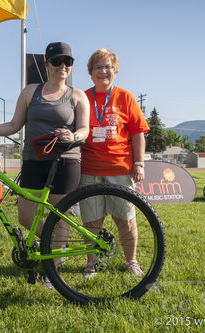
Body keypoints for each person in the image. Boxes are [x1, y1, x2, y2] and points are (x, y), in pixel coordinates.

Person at [0, 42, 89, 238]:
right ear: (47, 64)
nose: (62, 66)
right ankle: (51, 243)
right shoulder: (30, 92)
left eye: (67, 61)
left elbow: (85, 129)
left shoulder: (77, 96)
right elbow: (13, 125)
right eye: (57, 61)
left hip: (65, 161)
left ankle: (54, 263)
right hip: (34, 160)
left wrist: (74, 136)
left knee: (60, 217)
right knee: (25, 216)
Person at [79, 48, 150, 277]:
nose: (103, 71)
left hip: (120, 170)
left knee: (126, 220)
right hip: (89, 170)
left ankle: (131, 261)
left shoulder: (125, 97)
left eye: (108, 66)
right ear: (91, 73)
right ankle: (91, 263)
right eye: (98, 67)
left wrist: (139, 163)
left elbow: (138, 132)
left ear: (115, 71)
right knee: (91, 222)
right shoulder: (82, 98)